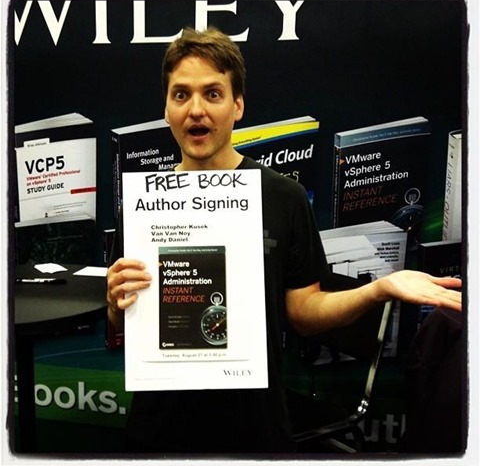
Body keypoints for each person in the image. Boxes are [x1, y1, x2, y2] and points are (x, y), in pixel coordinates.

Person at [107, 27, 462, 454]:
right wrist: (116, 305)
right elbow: (124, 323)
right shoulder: (144, 204)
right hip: (159, 424)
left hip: (252, 421)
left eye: (213, 94)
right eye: (181, 95)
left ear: (237, 105)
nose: (196, 110)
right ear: (167, 108)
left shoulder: (283, 196)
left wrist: (379, 289)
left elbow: (303, 312)